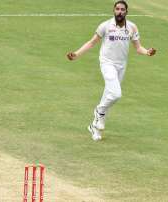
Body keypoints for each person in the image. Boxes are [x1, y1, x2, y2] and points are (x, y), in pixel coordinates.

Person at [66, 0, 156, 141]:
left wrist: (147, 52)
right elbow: (91, 43)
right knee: (116, 94)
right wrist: (76, 54)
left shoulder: (132, 27)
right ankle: (99, 111)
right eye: (117, 9)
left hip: (121, 65)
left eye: (122, 9)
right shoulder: (105, 26)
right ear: (113, 10)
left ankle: (94, 128)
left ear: (126, 12)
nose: (119, 12)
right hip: (107, 63)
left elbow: (138, 48)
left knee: (109, 94)